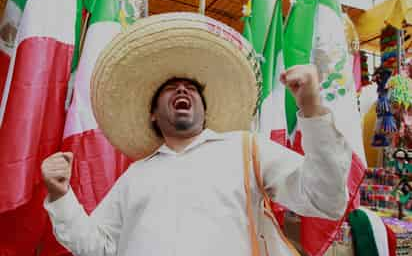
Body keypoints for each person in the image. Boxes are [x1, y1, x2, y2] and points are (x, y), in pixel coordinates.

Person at [42, 13, 351, 256]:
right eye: (170, 88)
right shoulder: (135, 176)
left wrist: (311, 110)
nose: (181, 89)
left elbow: (325, 200)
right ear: (153, 113)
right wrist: (60, 195)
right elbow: (99, 247)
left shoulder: (246, 149)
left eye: (191, 88)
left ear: (205, 109)